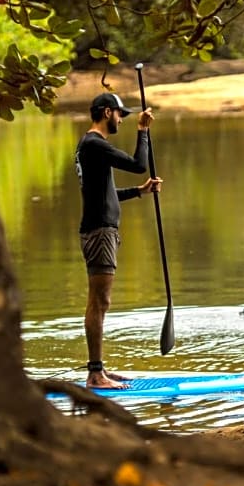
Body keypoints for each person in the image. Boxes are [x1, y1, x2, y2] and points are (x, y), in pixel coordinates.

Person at [75, 92, 162, 389]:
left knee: (101, 301)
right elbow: (139, 163)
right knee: (99, 302)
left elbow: (106, 195)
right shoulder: (95, 144)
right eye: (119, 114)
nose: (122, 119)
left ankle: (99, 370)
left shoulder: (91, 147)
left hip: (102, 230)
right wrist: (143, 130)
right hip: (99, 233)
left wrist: (140, 191)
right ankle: (95, 374)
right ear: (106, 112)